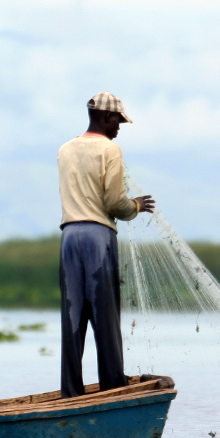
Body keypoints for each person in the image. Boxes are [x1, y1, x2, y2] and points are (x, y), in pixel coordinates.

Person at [56, 92, 154, 398]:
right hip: (98, 237)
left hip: (70, 236)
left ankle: (71, 393)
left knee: (73, 317)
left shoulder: (65, 149)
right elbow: (114, 203)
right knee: (105, 316)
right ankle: (113, 387)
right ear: (105, 117)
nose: (120, 127)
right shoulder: (110, 150)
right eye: (118, 121)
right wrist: (135, 206)